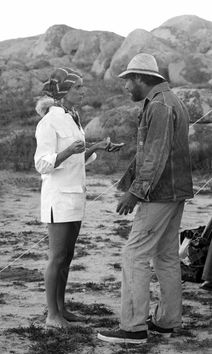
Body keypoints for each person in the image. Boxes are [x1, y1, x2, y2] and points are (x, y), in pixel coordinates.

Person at [98, 53, 194, 344]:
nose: (126, 87)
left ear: (141, 78)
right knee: (165, 256)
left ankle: (133, 327)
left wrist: (135, 193)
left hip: (160, 194)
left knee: (133, 254)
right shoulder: (166, 101)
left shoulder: (161, 106)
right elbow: (150, 151)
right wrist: (128, 180)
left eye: (128, 80)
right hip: (172, 192)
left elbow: (155, 156)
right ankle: (167, 321)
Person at [34, 67, 123, 329]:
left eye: (83, 86)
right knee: (57, 257)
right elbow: (42, 164)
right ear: (63, 92)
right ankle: (52, 315)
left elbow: (75, 159)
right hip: (59, 198)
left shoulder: (73, 117)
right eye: (77, 88)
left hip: (75, 195)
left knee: (68, 256)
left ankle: (61, 308)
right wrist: (68, 151)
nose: (83, 91)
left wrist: (96, 147)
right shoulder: (48, 122)